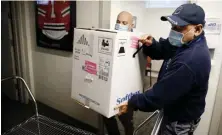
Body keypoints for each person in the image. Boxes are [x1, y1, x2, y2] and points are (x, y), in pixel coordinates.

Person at [117, 3, 211, 135]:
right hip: (172, 108)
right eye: (172, 26)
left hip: (179, 123)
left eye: (179, 27)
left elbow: (160, 95)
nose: (173, 31)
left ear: (197, 29)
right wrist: (151, 45)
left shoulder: (191, 60)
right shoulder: (184, 41)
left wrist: (133, 102)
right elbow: (164, 49)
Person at [102, 11, 135, 135]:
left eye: (124, 23)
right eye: (118, 22)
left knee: (126, 121)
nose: (120, 25)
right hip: (109, 88)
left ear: (131, 25)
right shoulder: (112, 37)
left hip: (126, 93)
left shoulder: (137, 42)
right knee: (107, 117)